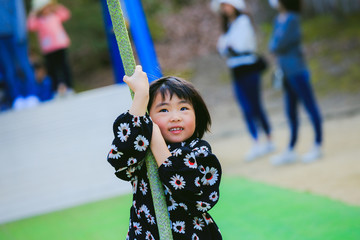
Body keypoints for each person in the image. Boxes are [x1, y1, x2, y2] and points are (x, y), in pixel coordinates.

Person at [107, 66, 222, 239]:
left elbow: (190, 190)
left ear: (197, 115)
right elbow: (120, 158)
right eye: (164, 110)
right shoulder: (141, 153)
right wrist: (141, 97)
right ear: (149, 118)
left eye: (183, 108)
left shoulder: (199, 151)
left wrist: (155, 137)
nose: (175, 117)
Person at [215, 0, 274, 161]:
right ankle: (256, 141)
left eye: (227, 4)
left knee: (255, 105)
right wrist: (228, 47)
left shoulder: (243, 22)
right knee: (245, 106)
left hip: (249, 69)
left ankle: (268, 138)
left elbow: (238, 46)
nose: (225, 8)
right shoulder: (229, 26)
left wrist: (228, 48)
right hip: (236, 71)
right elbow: (223, 47)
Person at [268, 0, 323, 165]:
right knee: (290, 111)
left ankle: (317, 145)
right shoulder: (279, 19)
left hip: (297, 71)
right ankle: (291, 149)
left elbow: (279, 43)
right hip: (285, 73)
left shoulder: (292, 19)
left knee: (310, 107)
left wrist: (276, 43)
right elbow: (273, 45)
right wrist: (276, 44)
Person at [27, 0, 74, 97]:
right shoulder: (39, 21)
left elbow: (66, 14)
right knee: (52, 70)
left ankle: (69, 87)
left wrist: (56, 7)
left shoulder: (55, 15)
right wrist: (33, 13)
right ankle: (56, 90)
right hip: (48, 49)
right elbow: (30, 26)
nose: (46, 9)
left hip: (60, 45)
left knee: (64, 67)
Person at [0, 0, 40, 111]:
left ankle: (32, 94)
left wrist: (21, 33)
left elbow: (19, 11)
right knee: (8, 68)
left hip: (15, 33)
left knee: (24, 64)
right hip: (1, 38)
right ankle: (16, 97)